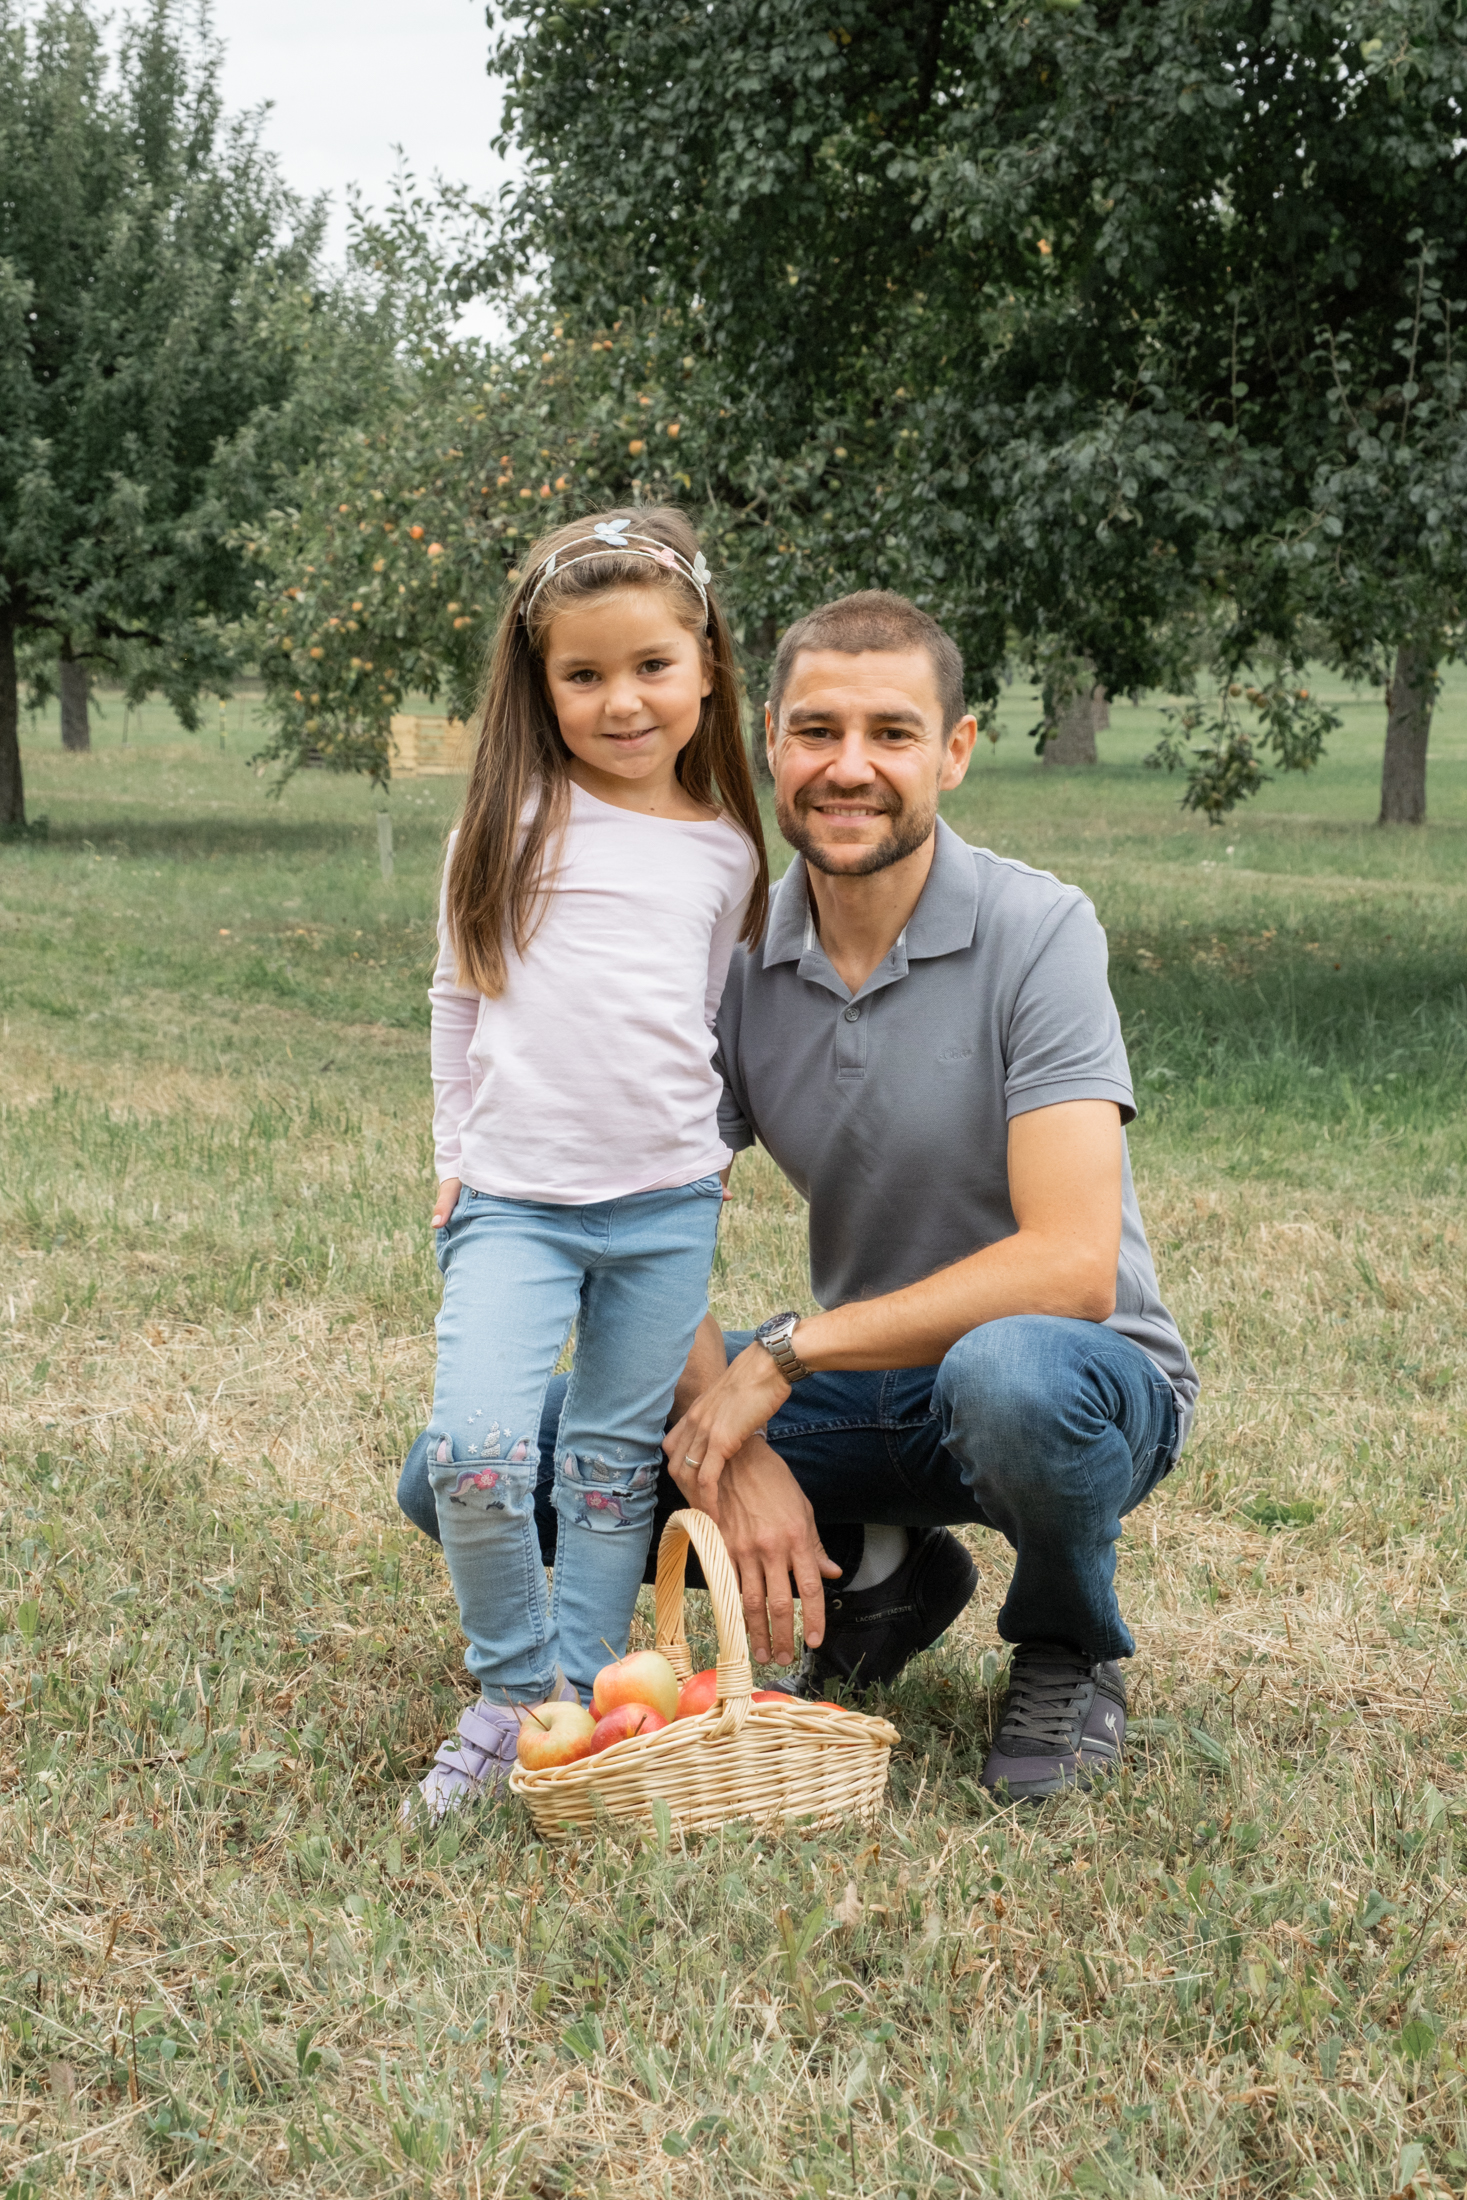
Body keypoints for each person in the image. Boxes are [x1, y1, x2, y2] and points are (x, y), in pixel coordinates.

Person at [400, 588, 1197, 1803]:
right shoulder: (734, 958)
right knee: (464, 1467)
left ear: (957, 751)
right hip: (862, 1383)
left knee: (1010, 1377)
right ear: (768, 737)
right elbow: (641, 1200)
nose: (850, 767)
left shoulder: (1040, 929)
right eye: (818, 731)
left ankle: (1065, 1649)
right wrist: (738, 1447)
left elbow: (1073, 1264)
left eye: (891, 732)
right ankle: (880, 1572)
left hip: (1075, 1376)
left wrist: (772, 1364)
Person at [405, 505, 766, 1822]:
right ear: (538, 683)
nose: (621, 701)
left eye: (650, 667)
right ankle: (506, 1691)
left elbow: (697, 1018)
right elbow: (457, 1001)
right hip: (513, 1202)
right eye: (583, 674)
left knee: (612, 1468)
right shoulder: (504, 823)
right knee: (479, 1451)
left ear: (706, 666)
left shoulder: (725, 850)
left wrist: (707, 1167)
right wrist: (455, 1157)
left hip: (665, 1205)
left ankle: (574, 1713)